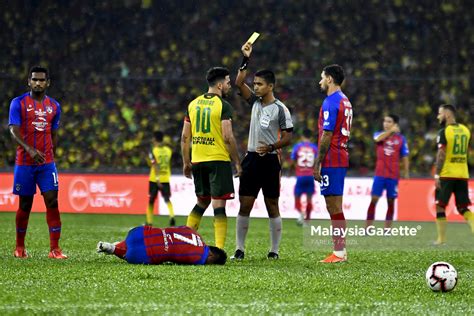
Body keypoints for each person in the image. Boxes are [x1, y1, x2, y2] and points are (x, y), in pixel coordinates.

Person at [232, 41, 293, 260]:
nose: (255, 87)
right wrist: (246, 58)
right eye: (255, 84)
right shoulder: (255, 103)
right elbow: (239, 82)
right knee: (245, 203)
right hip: (251, 159)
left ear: (270, 86)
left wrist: (272, 147)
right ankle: (239, 249)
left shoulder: (280, 109)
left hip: (269, 160)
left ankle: (274, 251)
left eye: (259, 84)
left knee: (272, 204)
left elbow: (288, 137)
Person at [8, 66, 67, 259]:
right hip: (25, 162)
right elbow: (13, 131)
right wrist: (29, 149)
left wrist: (53, 156)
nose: (38, 83)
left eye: (42, 80)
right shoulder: (18, 103)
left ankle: (55, 249)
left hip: (46, 164)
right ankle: (19, 248)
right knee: (25, 204)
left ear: (47, 83)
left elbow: (54, 133)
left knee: (53, 200)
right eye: (35, 79)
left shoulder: (55, 106)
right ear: (29, 81)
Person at [181, 67, 241, 250]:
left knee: (202, 201)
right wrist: (237, 162)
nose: (230, 86)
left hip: (198, 159)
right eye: (229, 83)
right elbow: (228, 137)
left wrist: (186, 162)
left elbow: (184, 137)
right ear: (220, 84)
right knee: (219, 205)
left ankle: (184, 243)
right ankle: (219, 249)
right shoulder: (223, 105)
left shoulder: (192, 104)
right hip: (218, 160)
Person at [313, 64, 352, 263]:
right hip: (340, 156)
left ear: (329, 79)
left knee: (334, 206)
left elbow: (327, 134)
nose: (320, 81)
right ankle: (339, 251)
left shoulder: (331, 102)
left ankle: (339, 253)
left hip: (332, 158)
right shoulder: (345, 101)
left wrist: (317, 162)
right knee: (334, 206)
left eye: (322, 77)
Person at [433, 104, 474, 245]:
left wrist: (437, 174)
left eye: (440, 113)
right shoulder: (465, 130)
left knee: (440, 206)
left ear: (447, 115)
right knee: (463, 208)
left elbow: (441, 154)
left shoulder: (444, 132)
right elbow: (466, 152)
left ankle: (441, 240)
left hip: (447, 174)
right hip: (462, 174)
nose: (438, 116)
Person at [97, 225, 227, 265]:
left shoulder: (193, 231)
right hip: (142, 253)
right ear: (211, 255)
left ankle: (117, 245)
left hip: (139, 232)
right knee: (131, 254)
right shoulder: (200, 258)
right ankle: (114, 249)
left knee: (153, 237)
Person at [365, 115, 409, 229]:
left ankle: (387, 229)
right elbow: (377, 139)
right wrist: (390, 132)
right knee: (374, 199)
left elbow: (405, 156)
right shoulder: (379, 134)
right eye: (385, 121)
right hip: (379, 174)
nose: (385, 123)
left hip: (393, 175)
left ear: (395, 124)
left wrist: (406, 172)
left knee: (391, 201)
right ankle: (368, 227)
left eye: (389, 122)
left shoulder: (401, 139)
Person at [146, 131, 175, 226]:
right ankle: (171, 216)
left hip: (155, 179)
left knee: (151, 200)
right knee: (167, 199)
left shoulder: (153, 150)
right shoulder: (168, 150)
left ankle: (149, 222)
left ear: (154, 138)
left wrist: (157, 178)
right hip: (165, 178)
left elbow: (155, 165)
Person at [290, 129, 318, 226]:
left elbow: (293, 159)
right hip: (310, 176)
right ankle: (307, 221)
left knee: (297, 197)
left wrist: (294, 170)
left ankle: (301, 213)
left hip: (300, 176)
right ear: (311, 137)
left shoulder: (298, 147)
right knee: (309, 199)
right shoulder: (314, 148)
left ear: (302, 137)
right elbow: (317, 161)